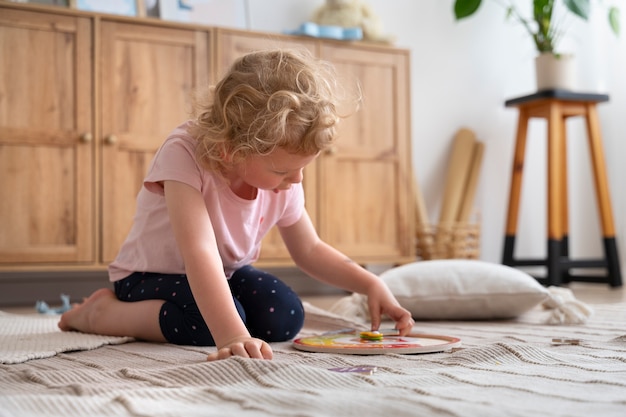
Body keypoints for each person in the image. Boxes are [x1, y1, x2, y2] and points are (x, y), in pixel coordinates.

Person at [59, 48, 414, 361]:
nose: (297, 181)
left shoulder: (284, 177)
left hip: (222, 272)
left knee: (285, 316)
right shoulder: (184, 151)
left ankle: (227, 319)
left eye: (303, 169)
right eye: (283, 171)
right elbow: (199, 251)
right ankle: (99, 314)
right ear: (232, 150)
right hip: (148, 276)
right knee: (208, 324)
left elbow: (310, 248)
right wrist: (232, 336)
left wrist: (370, 284)